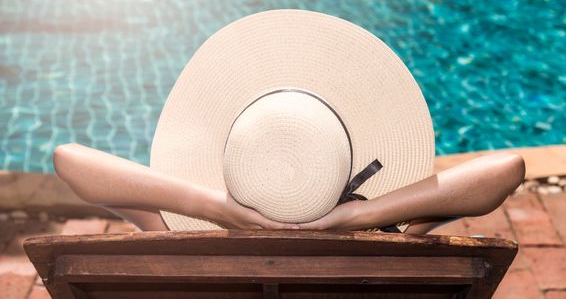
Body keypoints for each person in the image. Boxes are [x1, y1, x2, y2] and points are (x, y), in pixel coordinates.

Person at [52, 142, 525, 234]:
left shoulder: (179, 240)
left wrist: (216, 209)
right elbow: (507, 168)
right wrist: (360, 216)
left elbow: (69, 160)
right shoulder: (391, 243)